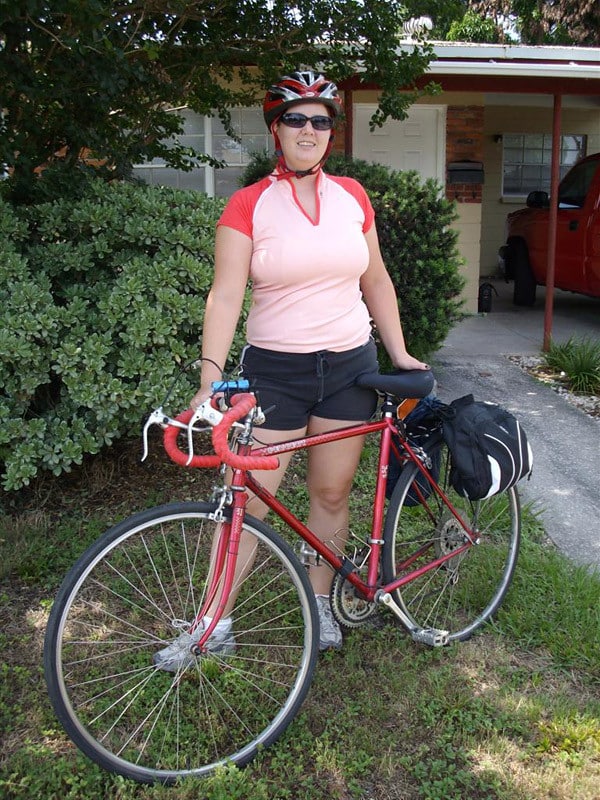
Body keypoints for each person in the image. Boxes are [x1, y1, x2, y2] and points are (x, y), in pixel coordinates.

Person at [154, 70, 429, 669]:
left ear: (331, 132)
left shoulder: (353, 196)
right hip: (276, 372)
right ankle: (212, 620)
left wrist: (399, 351)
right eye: (297, 119)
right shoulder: (249, 203)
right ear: (276, 128)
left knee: (330, 493)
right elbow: (225, 295)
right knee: (246, 499)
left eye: (321, 120)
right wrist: (210, 375)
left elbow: (374, 278)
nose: (310, 130)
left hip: (350, 367)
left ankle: (321, 602)